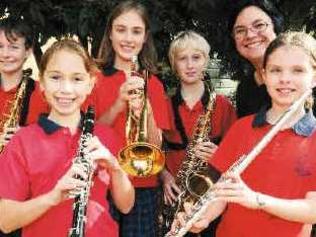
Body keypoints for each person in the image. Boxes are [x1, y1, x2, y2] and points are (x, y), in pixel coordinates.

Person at [172, 31, 316, 237]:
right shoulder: (241, 128)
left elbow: (313, 210)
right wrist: (202, 218)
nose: (285, 79)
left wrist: (257, 200)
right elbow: (222, 193)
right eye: (276, 70)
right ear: (264, 75)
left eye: (297, 70)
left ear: (314, 77)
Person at [0, 39, 135, 237]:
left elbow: (126, 205)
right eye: (55, 77)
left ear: (90, 84)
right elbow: (5, 221)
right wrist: (53, 198)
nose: (66, 89)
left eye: (77, 79)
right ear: (42, 83)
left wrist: (114, 167)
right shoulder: (22, 141)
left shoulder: (106, 136)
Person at [86, 1, 170, 236]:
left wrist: (146, 109)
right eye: (121, 29)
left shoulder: (153, 84)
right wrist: (118, 104)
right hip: (100, 184)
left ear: (145, 38)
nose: (128, 38)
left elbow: (156, 146)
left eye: (136, 31)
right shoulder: (94, 80)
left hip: (143, 186)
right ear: (110, 34)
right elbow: (86, 135)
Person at [160, 31, 237, 236]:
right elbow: (154, 150)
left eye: (196, 57)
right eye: (182, 59)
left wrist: (219, 155)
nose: (190, 65)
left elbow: (238, 158)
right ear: (174, 65)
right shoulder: (164, 106)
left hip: (212, 201)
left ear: (206, 61)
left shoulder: (222, 105)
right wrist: (164, 176)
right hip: (175, 199)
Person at [227, 0, 284, 117]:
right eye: (240, 30)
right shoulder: (245, 89)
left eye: (259, 25)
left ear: (276, 27)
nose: (250, 35)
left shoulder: (306, 76)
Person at [0, 17, 48, 152]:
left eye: (13, 47)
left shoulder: (43, 94)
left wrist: (28, 137)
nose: (5, 54)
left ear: (28, 51)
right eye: (0, 46)